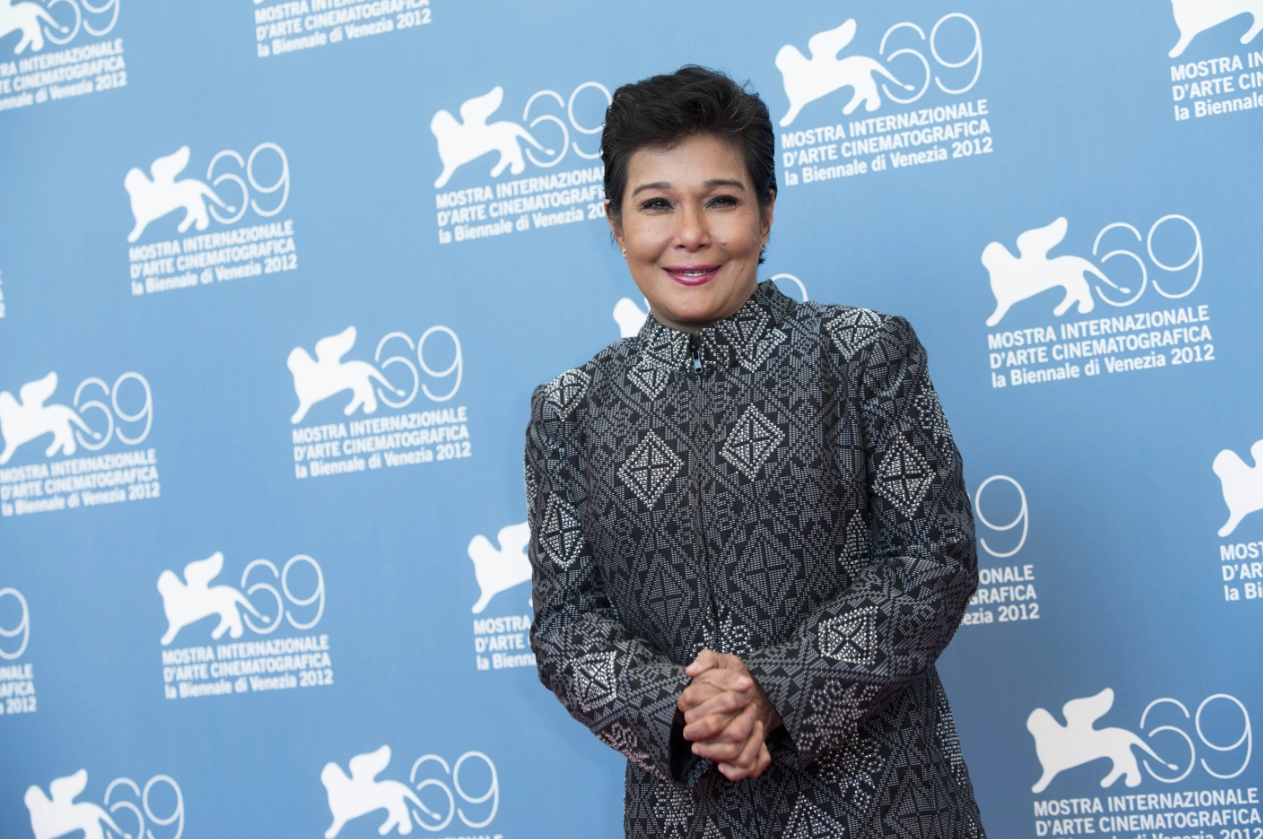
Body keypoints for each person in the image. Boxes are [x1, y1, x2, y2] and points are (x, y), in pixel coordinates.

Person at [524, 65, 985, 838]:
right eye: (657, 204)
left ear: (765, 216)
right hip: (688, 815)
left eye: (722, 200)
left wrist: (775, 687)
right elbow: (565, 625)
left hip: (884, 806)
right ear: (614, 224)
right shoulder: (568, 411)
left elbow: (932, 559)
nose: (691, 233)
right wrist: (683, 708)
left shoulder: (862, 354)